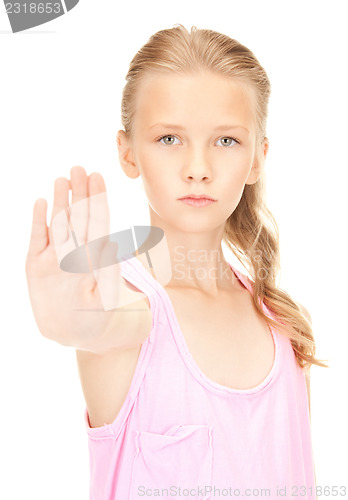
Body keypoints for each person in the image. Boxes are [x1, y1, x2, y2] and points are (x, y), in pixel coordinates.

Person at [25, 24, 328, 500]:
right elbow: (98, 327)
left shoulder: (284, 324)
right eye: (169, 139)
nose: (198, 166)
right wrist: (70, 322)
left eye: (226, 140)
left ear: (257, 159)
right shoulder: (128, 308)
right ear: (127, 152)